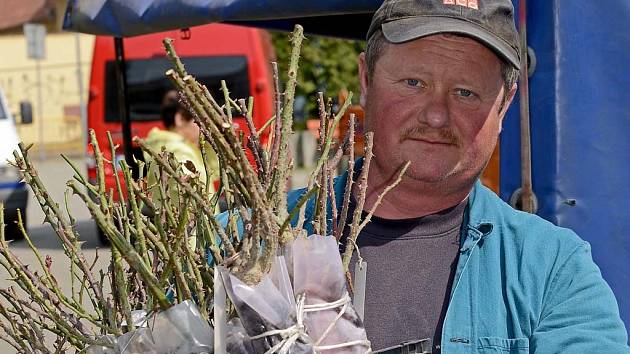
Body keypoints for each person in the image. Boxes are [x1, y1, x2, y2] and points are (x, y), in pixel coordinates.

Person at [287, 0, 630, 352]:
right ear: (365, 79)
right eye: (413, 82)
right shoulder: (249, 238)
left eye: (465, 92)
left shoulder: (552, 272)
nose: (436, 115)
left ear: (504, 105)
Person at [144, 91, 219, 189]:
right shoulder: (180, 152)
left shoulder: (177, 147)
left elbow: (211, 174)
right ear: (180, 118)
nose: (206, 126)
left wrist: (210, 143)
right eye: (200, 119)